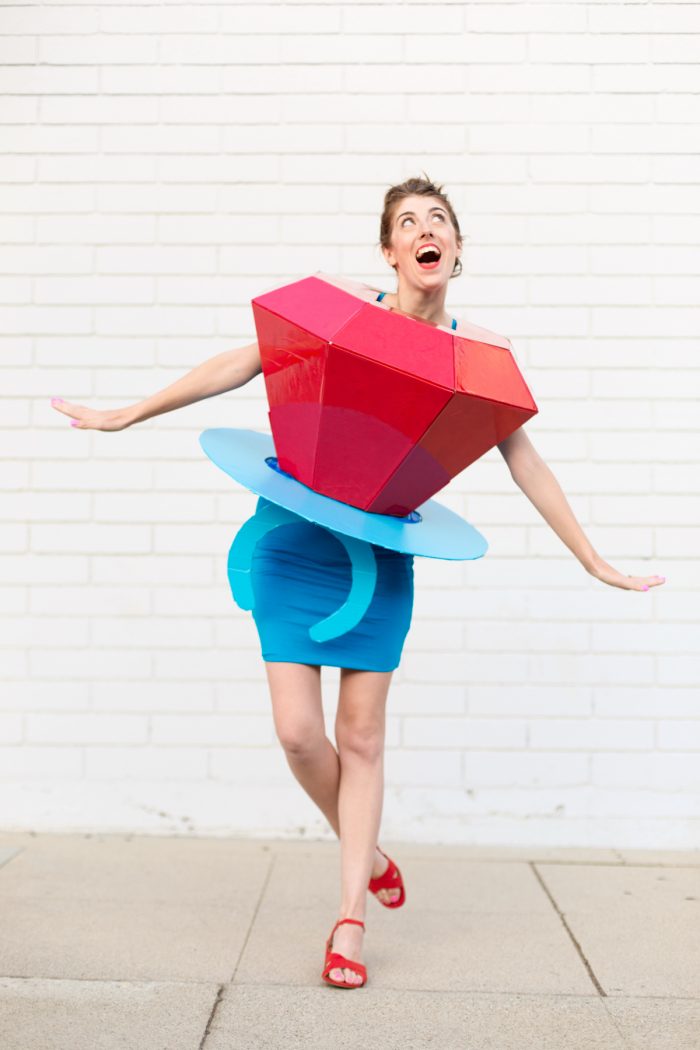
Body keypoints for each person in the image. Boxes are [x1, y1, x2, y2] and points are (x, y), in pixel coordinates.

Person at [50, 175, 665, 989]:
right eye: (407, 222)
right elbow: (247, 361)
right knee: (300, 735)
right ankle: (365, 845)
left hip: (378, 559)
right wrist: (129, 412)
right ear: (390, 251)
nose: (424, 230)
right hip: (294, 541)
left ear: (454, 249)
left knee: (364, 737)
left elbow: (524, 460)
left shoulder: (478, 357)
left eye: (437, 219)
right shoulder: (348, 319)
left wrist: (593, 559)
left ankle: (348, 921)